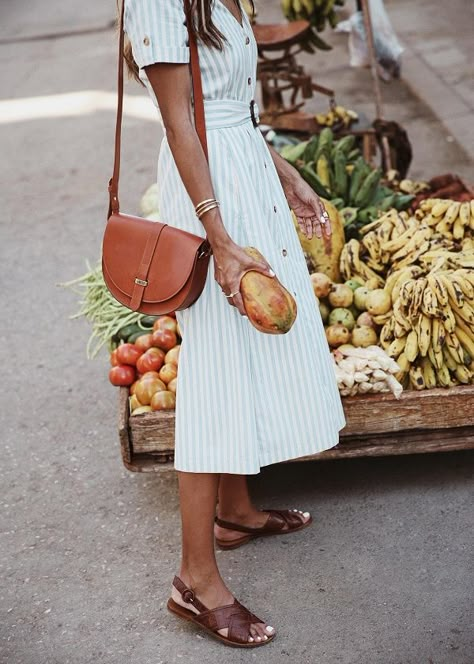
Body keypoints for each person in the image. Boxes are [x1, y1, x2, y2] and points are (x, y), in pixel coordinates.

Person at [123, 0, 345, 648]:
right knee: (216, 372)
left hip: (245, 176)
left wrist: (289, 176)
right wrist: (217, 236)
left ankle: (235, 510)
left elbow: (236, 115)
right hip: (207, 196)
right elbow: (179, 123)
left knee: (244, 350)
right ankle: (194, 579)